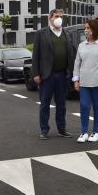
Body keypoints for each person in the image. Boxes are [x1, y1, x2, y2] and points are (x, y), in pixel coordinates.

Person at [31, 9, 75, 140]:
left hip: (62, 75)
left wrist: (72, 73)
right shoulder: (41, 34)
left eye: (61, 16)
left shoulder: (67, 34)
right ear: (50, 18)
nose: (59, 19)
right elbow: (35, 55)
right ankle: (44, 130)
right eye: (56, 16)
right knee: (45, 104)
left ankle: (62, 129)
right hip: (47, 76)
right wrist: (36, 74)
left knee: (62, 105)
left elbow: (71, 54)